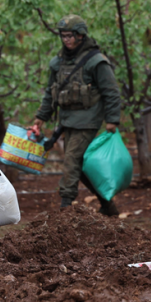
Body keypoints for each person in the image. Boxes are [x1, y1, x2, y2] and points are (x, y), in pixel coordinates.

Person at [32, 15, 122, 214]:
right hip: (67, 121)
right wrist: (41, 116)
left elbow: (111, 91)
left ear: (81, 36)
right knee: (80, 168)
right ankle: (108, 205)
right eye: (63, 36)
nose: (67, 40)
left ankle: (65, 209)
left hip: (88, 121)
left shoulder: (96, 62)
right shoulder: (59, 63)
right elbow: (50, 92)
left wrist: (112, 120)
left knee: (71, 161)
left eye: (70, 36)